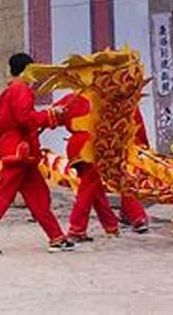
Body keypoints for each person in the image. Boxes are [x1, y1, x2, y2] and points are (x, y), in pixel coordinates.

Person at [0, 53, 74, 255]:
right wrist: (51, 115)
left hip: (19, 151)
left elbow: (0, 123)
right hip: (20, 152)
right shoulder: (21, 90)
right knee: (4, 196)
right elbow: (25, 118)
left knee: (38, 196)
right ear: (27, 69)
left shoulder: (10, 91)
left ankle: (56, 237)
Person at [56, 93, 119, 242]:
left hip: (75, 145)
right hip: (90, 146)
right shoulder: (100, 98)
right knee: (88, 187)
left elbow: (55, 116)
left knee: (94, 187)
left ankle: (111, 225)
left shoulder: (71, 97)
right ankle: (77, 228)